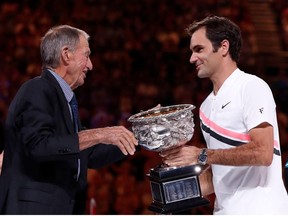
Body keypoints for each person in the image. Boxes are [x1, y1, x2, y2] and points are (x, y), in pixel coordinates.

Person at [0, 25, 138, 214]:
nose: (91, 65)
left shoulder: (64, 100)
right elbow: (39, 146)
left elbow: (90, 155)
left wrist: (142, 133)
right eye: (87, 55)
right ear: (66, 54)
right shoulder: (36, 89)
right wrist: (99, 134)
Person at [160, 16, 288, 214]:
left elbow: (263, 153)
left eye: (198, 49)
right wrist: (169, 189)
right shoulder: (205, 107)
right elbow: (220, 175)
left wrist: (200, 154)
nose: (192, 58)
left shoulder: (251, 87)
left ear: (223, 47)